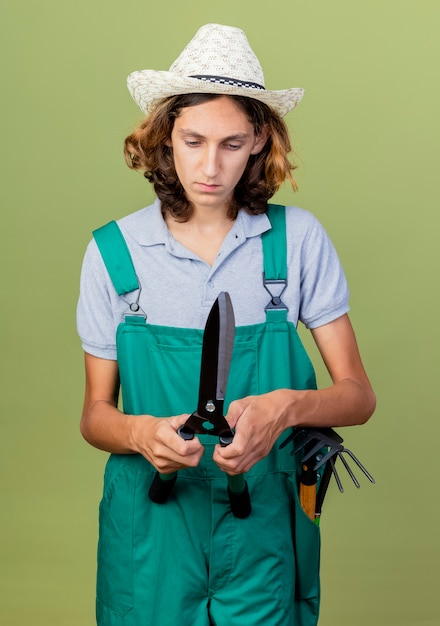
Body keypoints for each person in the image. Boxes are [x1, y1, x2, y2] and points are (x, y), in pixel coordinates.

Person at [77, 23, 375, 626]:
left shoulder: (296, 243)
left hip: (262, 525)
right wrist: (141, 435)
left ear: (261, 140)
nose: (209, 166)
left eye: (232, 144)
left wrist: (285, 409)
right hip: (152, 532)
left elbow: (358, 398)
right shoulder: (115, 254)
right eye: (192, 140)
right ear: (165, 137)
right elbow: (94, 416)